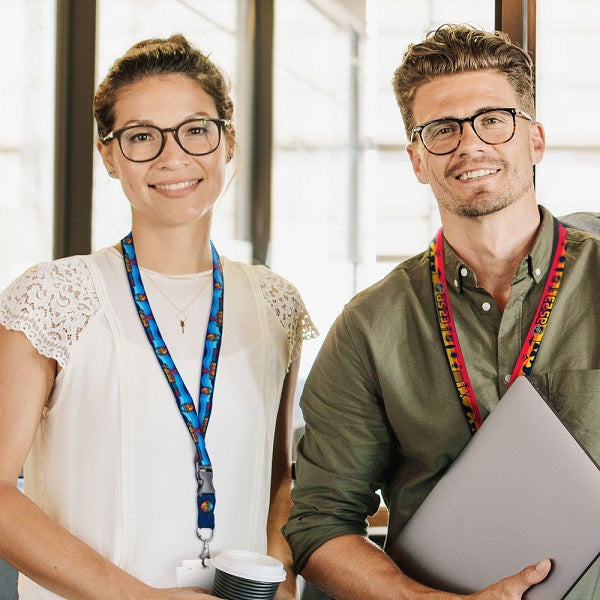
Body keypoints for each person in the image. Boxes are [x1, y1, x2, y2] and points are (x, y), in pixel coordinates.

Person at [283, 24, 600, 600]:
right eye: (442, 130)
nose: (470, 145)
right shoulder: (368, 328)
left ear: (535, 140)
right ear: (415, 159)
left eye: (493, 119)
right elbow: (319, 524)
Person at [0, 34, 316, 599]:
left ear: (228, 143)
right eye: (142, 137)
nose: (173, 157)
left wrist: (279, 578)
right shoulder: (55, 294)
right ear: (109, 154)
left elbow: (277, 480)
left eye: (196, 130)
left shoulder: (276, 303)